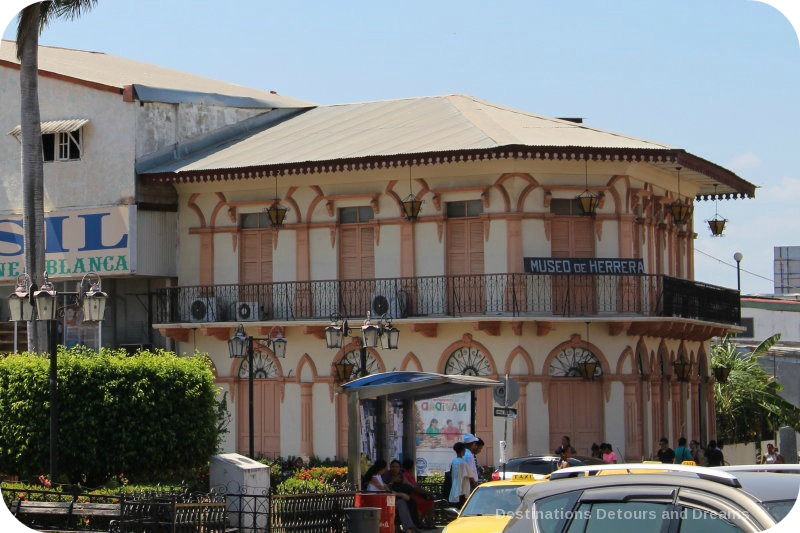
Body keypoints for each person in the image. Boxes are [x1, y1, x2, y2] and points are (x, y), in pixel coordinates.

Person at [401, 458, 435, 527]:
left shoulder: (406, 474)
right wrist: (427, 493)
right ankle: (426, 522)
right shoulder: (406, 475)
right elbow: (414, 488)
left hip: (413, 494)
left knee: (429, 501)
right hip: (412, 496)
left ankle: (421, 522)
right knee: (430, 502)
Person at [448, 441, 471, 508]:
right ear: (462, 450)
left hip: (455, 486)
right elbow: (470, 475)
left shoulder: (454, 461)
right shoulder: (463, 463)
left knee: (456, 506)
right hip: (463, 488)